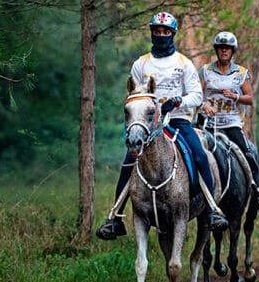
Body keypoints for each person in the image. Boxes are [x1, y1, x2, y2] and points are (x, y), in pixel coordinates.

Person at [96, 12, 229, 240]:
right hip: (148, 124)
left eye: (165, 32)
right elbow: (134, 93)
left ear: (172, 34)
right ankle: (115, 218)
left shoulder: (183, 63)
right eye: (157, 32)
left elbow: (197, 95)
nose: (161, 35)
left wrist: (179, 101)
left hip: (177, 120)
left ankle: (212, 210)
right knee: (129, 161)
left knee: (198, 155)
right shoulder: (141, 63)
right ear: (152, 33)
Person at [199, 30, 259, 214]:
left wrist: (235, 96)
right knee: (195, 153)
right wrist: (204, 105)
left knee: (250, 154)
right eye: (221, 48)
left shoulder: (241, 73)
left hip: (232, 124)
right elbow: (197, 95)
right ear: (216, 50)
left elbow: (250, 98)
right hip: (209, 124)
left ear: (232, 51)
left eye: (227, 49)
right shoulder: (205, 71)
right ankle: (194, 193)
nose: (224, 51)